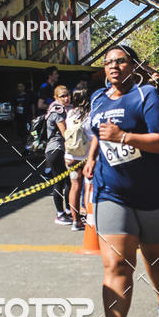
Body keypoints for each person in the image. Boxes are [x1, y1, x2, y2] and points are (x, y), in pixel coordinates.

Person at [83, 44, 159, 317]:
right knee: (117, 266)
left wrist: (124, 136)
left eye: (120, 61)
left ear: (134, 66)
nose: (113, 67)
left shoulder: (147, 95)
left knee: (154, 255)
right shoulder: (97, 99)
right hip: (112, 193)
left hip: (154, 193)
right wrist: (92, 157)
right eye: (108, 62)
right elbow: (99, 131)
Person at [64, 87, 92, 231]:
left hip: (70, 157)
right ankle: (88, 218)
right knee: (88, 186)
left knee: (74, 186)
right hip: (86, 158)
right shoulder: (90, 115)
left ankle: (75, 221)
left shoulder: (70, 114)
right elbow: (93, 137)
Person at [45, 85, 72, 225]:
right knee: (60, 182)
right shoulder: (58, 110)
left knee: (67, 182)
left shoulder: (59, 108)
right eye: (62, 96)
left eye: (67, 94)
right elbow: (65, 133)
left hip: (57, 149)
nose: (66, 98)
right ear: (56, 98)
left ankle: (67, 211)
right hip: (57, 149)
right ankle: (61, 213)